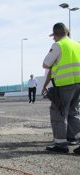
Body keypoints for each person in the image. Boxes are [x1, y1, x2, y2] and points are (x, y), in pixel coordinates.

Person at [41, 23, 80, 154]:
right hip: (78, 84)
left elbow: (45, 64)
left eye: (54, 36)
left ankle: (60, 144)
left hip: (64, 84)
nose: (53, 39)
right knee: (73, 113)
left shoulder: (59, 45)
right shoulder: (77, 45)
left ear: (56, 34)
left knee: (58, 112)